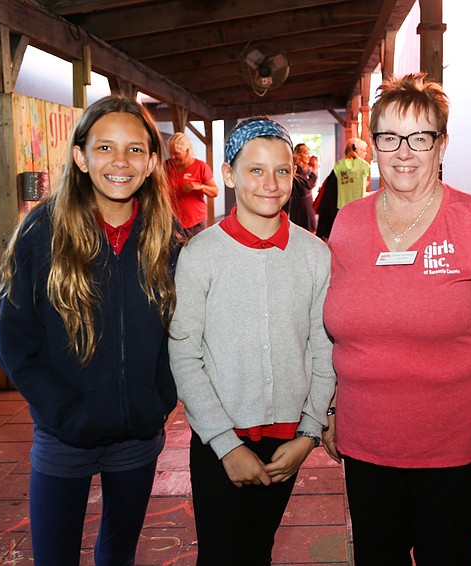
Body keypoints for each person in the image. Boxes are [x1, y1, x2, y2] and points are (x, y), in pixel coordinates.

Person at [322, 73, 471, 565]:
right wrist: (328, 408)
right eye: (389, 138)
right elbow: (332, 326)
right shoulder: (348, 223)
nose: (404, 152)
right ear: (373, 145)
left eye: (420, 138)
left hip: (451, 445)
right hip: (366, 441)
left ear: (442, 144)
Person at [0, 95, 180, 566]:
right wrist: (62, 410)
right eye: (105, 147)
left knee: (118, 554)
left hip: (138, 434)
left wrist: (159, 396)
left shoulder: (167, 236)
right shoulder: (42, 231)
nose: (121, 161)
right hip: (63, 434)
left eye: (135, 149)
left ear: (151, 161)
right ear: (80, 156)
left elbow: (182, 331)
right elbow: (11, 338)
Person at [168, 117, 336, 565]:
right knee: (220, 554)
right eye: (255, 170)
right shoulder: (200, 255)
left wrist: (309, 433)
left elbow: (323, 348)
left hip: (287, 442)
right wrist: (226, 444)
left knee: (260, 548)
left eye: (282, 170)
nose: (271, 183)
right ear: (229, 174)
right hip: (218, 439)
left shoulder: (314, 255)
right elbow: (184, 355)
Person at [315, 137, 371, 241]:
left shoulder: (342, 167)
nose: (365, 153)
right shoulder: (343, 167)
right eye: (363, 151)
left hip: (345, 210)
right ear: (355, 150)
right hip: (338, 214)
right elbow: (330, 199)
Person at [165, 132, 219, 238]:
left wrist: (200, 186)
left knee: (198, 248)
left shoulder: (200, 166)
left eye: (176, 153)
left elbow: (214, 192)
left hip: (196, 222)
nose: (173, 157)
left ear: (187, 150)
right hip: (173, 221)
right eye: (171, 153)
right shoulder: (166, 166)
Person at [286, 142, 317, 232]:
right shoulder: (297, 169)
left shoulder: (302, 169)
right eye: (306, 153)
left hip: (303, 204)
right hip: (302, 206)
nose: (309, 156)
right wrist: (314, 171)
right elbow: (308, 185)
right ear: (299, 155)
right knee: (309, 232)